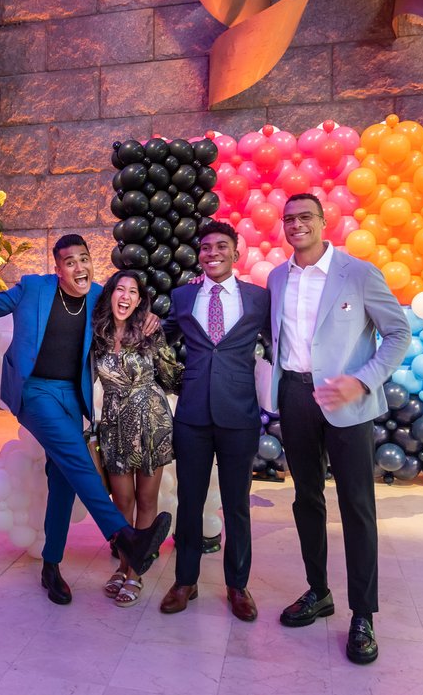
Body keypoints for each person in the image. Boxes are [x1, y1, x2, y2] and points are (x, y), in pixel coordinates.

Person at [0, 235, 172, 604]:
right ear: (58, 268)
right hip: (35, 391)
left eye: (84, 259)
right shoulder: (33, 289)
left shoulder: (99, 296)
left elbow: (129, 305)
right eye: (69, 262)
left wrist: (149, 316)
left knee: (63, 478)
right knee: (75, 456)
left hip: (73, 396)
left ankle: (51, 567)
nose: (79, 267)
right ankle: (123, 535)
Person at [268, 193, 410, 665]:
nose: (296, 225)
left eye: (305, 217)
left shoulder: (358, 273)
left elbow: (398, 333)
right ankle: (317, 591)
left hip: (348, 403)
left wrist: (363, 380)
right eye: (288, 219)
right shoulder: (275, 277)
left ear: (324, 222)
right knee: (306, 499)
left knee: (356, 506)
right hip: (294, 396)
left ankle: (363, 614)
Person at [158, 222, 272, 621]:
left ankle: (237, 586)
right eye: (205, 248)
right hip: (192, 414)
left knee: (236, 504)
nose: (212, 253)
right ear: (199, 255)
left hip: (239, 414)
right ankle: (184, 580)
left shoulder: (259, 299)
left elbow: (278, 342)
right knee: (189, 501)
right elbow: (160, 337)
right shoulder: (183, 295)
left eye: (221, 246)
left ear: (236, 252)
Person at [91, 270, 178, 607]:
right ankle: (124, 563)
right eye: (120, 289)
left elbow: (171, 377)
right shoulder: (96, 335)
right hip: (113, 425)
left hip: (151, 421)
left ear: (141, 300)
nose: (125, 296)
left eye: (133, 292)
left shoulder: (149, 332)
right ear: (110, 294)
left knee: (145, 499)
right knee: (121, 501)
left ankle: (135, 573)